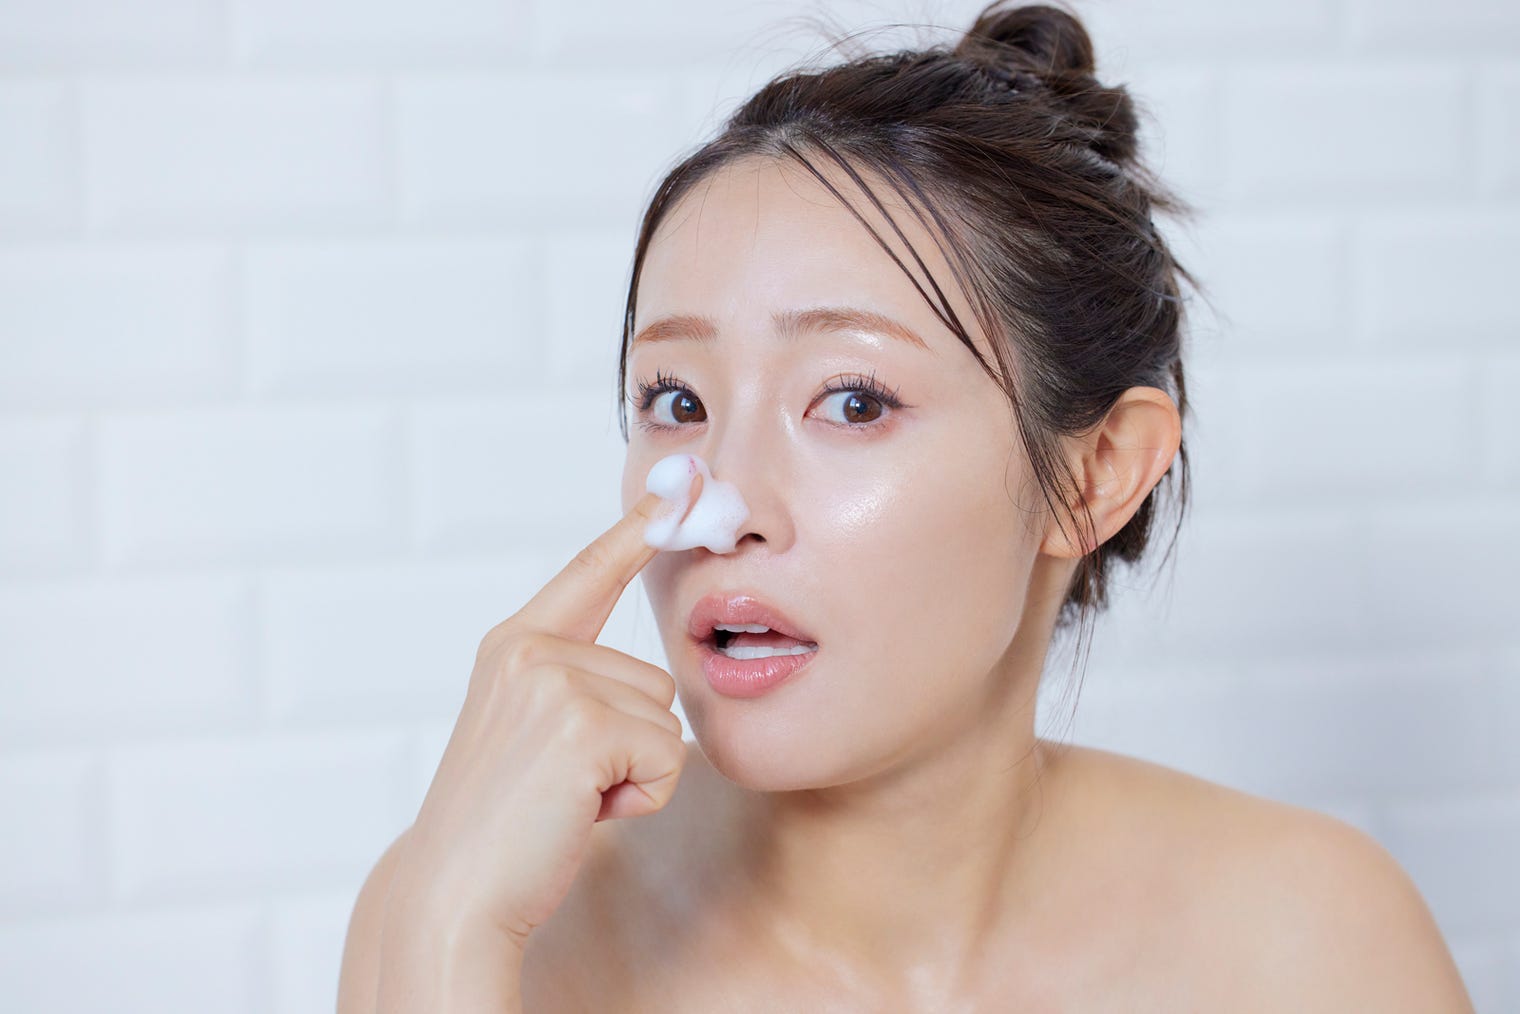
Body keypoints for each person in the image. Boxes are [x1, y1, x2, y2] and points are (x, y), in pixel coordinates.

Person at [339, 3, 1476, 1010]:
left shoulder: (1309, 940)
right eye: (676, 400)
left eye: (852, 400)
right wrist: (445, 941)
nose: (719, 506)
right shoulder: (478, 917)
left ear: (1095, 474)